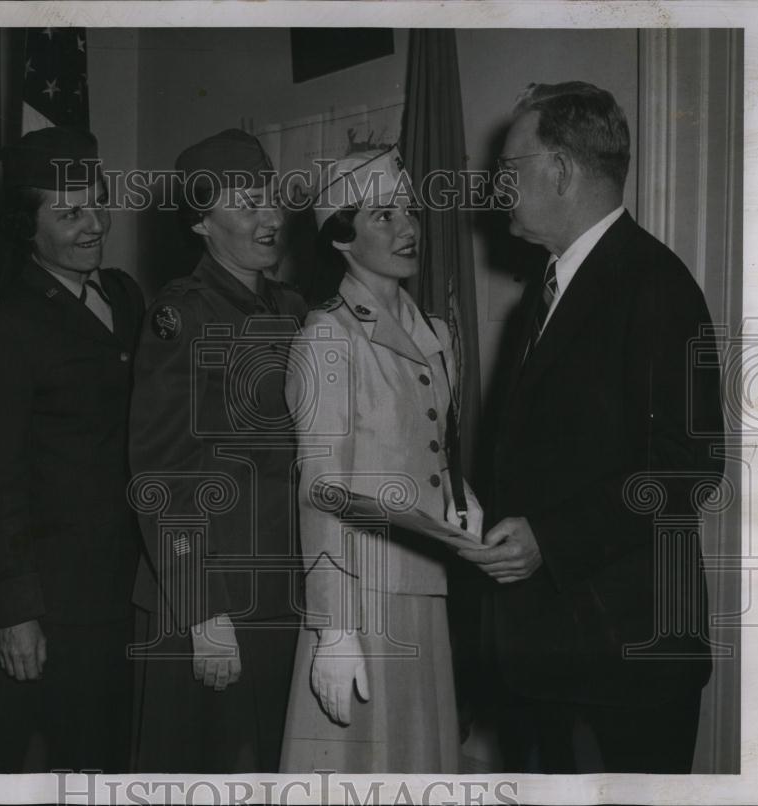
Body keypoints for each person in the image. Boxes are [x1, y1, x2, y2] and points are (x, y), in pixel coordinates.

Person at [459, 82, 725, 773]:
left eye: (510, 168)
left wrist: (549, 537)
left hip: (625, 669)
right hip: (557, 659)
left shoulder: (654, 285)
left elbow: (688, 466)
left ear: (562, 171)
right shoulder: (551, 286)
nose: (498, 185)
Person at [278, 148, 483, 773]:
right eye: (383, 216)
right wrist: (334, 629)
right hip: (361, 596)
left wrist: (461, 498)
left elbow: (429, 445)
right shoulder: (327, 337)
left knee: (421, 764)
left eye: (411, 212)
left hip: (426, 583)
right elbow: (322, 488)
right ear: (342, 238)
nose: (409, 229)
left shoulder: (435, 333)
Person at [0, 126, 144, 772]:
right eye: (68, 213)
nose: (93, 223)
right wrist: (15, 613)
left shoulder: (124, 298)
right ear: (24, 227)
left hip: (121, 590)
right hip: (49, 606)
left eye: (96, 203)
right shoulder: (3, 326)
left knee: (109, 763)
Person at [128, 128, 308, 772]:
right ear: (201, 223)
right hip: (210, 597)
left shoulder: (292, 307)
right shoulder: (183, 315)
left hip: (282, 593)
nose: (270, 217)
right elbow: (162, 473)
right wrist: (202, 610)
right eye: (245, 203)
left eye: (270, 197)